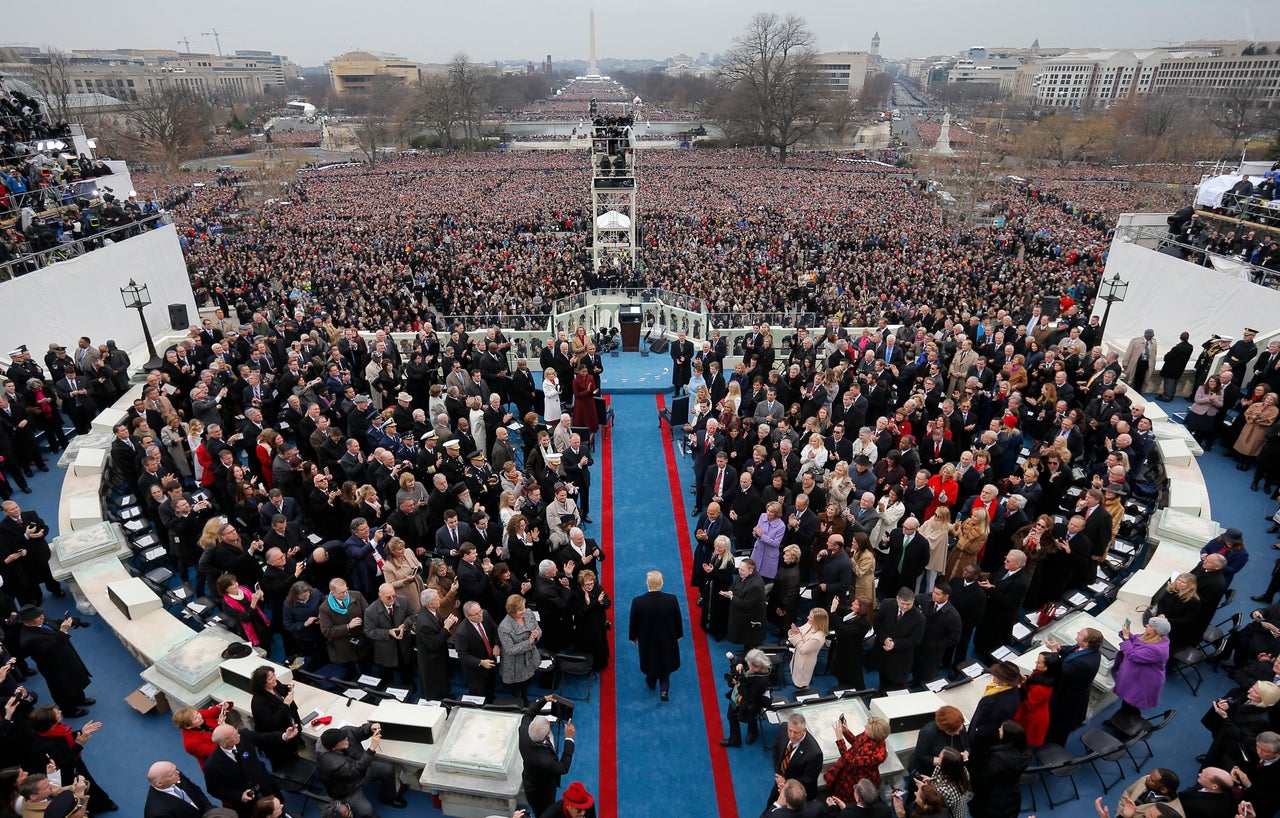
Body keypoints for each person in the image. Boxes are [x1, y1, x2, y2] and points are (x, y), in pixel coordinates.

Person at [201, 724, 291, 818]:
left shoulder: (244, 735)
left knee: (279, 809)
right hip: (248, 804)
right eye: (234, 736)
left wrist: (284, 736)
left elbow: (262, 738)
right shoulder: (212, 765)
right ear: (223, 744)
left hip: (266, 787)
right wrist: (239, 796)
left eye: (236, 731)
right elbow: (215, 790)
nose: (239, 735)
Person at [16, 608, 93, 716]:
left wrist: (72, 621)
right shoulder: (27, 640)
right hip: (54, 667)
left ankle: (80, 699)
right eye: (38, 616)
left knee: (75, 679)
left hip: (66, 657)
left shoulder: (41, 620)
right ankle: (69, 711)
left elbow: (54, 623)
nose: (43, 617)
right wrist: (62, 632)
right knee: (62, 689)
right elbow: (48, 649)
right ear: (28, 621)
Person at [315, 724, 405, 817]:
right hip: (348, 787)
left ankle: (387, 798)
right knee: (366, 811)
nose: (346, 740)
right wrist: (371, 749)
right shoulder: (329, 763)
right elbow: (354, 770)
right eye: (342, 741)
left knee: (388, 769)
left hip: (363, 768)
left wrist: (370, 728)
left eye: (345, 737)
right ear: (333, 748)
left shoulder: (344, 733)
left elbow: (359, 731)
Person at [1044, 627, 1105, 746]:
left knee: (1059, 728)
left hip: (1069, 701)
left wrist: (1054, 652)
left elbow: (1059, 670)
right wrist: (1059, 648)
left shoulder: (1085, 663)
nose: (1077, 632)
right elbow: (1072, 650)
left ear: (1086, 642)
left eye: (1080, 634)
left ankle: (1054, 750)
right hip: (1064, 692)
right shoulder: (1088, 649)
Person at [628, 570, 683, 701]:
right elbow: (678, 619)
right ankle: (664, 690)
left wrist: (633, 637)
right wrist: (679, 634)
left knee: (650, 660)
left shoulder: (638, 602)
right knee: (666, 661)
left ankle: (651, 683)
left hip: (647, 639)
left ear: (647, 583)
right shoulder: (671, 599)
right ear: (662, 583)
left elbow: (633, 622)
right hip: (667, 638)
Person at [1200, 681, 1280, 770]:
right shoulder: (1247, 699)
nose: (1250, 691)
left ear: (1265, 699)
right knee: (1212, 755)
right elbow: (1236, 712)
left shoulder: (1261, 720)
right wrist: (1226, 708)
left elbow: (1242, 736)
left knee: (1216, 763)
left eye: (1256, 692)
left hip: (1230, 747)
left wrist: (1225, 717)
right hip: (1223, 736)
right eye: (1253, 687)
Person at [519, 696, 576, 817]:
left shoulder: (523, 731)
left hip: (530, 781)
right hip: (542, 793)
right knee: (545, 813)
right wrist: (569, 738)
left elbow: (529, 713)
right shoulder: (546, 762)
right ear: (546, 736)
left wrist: (544, 699)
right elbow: (564, 767)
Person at [1113, 617, 1172, 722]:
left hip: (1144, 681)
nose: (1146, 626)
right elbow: (1136, 640)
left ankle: (1126, 725)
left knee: (1131, 703)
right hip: (1137, 676)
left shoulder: (1157, 650)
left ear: (1156, 631)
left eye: (1149, 626)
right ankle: (1121, 720)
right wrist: (1126, 634)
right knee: (1128, 701)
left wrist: (1126, 639)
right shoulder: (1152, 637)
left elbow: (1133, 656)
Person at [970, 721, 1030, 818]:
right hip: (1012, 797)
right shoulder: (1023, 755)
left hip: (991, 802)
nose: (999, 729)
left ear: (1007, 736)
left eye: (1001, 729)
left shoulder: (997, 761)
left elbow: (982, 781)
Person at [363, 583, 416, 691]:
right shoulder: (370, 611)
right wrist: (388, 632)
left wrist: (404, 625)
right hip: (385, 648)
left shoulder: (403, 600)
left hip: (403, 644)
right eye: (388, 597)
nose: (392, 599)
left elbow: (412, 615)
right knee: (386, 673)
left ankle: (409, 687)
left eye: (394, 595)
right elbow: (369, 631)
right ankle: (387, 690)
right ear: (380, 597)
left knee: (406, 668)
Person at [968, 661, 1023, 763]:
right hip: (980, 725)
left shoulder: (1005, 704)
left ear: (1005, 682)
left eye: (997, 675)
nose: (993, 675)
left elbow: (994, 728)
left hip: (982, 740)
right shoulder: (1003, 688)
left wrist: (977, 731)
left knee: (976, 759)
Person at [247, 667, 301, 770]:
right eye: (270, 678)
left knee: (294, 754)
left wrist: (288, 687)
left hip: (289, 728)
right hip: (276, 739)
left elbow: (281, 688)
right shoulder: (258, 702)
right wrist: (285, 704)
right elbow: (271, 722)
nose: (274, 679)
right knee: (283, 764)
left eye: (274, 675)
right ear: (262, 682)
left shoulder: (276, 685)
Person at [143, 761, 239, 818]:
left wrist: (209, 809)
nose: (178, 772)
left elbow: (196, 790)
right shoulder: (157, 813)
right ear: (159, 784)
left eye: (176, 769)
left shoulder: (176, 775)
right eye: (172, 774)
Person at [825, 715, 890, 799]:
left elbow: (850, 761)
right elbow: (856, 742)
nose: (865, 726)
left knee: (845, 799)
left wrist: (839, 738)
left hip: (854, 780)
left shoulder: (877, 755)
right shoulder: (869, 735)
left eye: (867, 728)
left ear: (874, 734)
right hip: (845, 772)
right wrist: (846, 731)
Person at [766, 714, 823, 809]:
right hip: (780, 782)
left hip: (796, 793)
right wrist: (778, 773)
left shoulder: (814, 753)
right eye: (790, 731)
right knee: (771, 805)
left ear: (804, 730)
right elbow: (776, 749)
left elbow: (809, 778)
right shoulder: (784, 727)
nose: (791, 735)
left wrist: (786, 782)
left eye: (796, 732)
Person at [874, 587, 926, 691]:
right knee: (882, 678)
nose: (905, 607)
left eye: (908, 604)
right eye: (902, 603)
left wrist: (895, 644)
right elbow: (877, 623)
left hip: (900, 659)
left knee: (895, 686)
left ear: (913, 601)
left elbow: (915, 640)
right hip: (882, 653)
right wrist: (884, 638)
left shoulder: (919, 619)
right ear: (897, 599)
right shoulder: (887, 604)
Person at [913, 582, 962, 684]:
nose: (934, 595)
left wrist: (936, 644)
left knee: (927, 673)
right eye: (934, 592)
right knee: (915, 666)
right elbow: (916, 599)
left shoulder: (953, 616)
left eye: (937, 594)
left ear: (946, 596)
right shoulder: (927, 599)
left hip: (933, 650)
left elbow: (954, 638)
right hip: (919, 642)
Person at [721, 648, 771, 747]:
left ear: (760, 667)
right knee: (731, 715)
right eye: (749, 665)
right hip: (739, 696)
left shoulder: (761, 681)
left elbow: (750, 697)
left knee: (750, 717)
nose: (749, 669)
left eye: (752, 667)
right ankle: (735, 740)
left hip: (751, 702)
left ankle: (753, 732)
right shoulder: (753, 660)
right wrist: (739, 663)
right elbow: (743, 658)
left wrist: (739, 684)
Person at [497, 593, 542, 703]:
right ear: (512, 611)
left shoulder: (528, 613)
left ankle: (525, 698)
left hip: (530, 657)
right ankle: (518, 701)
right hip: (515, 664)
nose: (524, 611)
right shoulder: (504, 627)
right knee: (516, 688)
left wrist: (536, 636)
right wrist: (529, 641)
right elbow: (510, 649)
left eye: (523, 607)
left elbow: (538, 629)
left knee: (528, 682)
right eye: (520, 610)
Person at [453, 600, 500, 701]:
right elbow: (463, 656)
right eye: (476, 614)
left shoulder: (485, 615)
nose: (480, 615)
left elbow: (495, 629)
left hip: (490, 663)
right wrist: (481, 662)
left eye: (480, 611)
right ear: (468, 616)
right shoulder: (462, 633)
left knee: (491, 690)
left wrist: (496, 644)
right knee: (479, 696)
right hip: (475, 671)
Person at [1013, 651, 1061, 746]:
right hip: (1031, 711)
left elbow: (1028, 704)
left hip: (1031, 718)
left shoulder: (1043, 688)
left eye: (1039, 662)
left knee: (1020, 741)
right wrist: (1026, 680)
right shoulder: (1044, 674)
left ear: (1047, 667)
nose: (1036, 663)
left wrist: (1019, 688)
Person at [170, 702, 232, 771]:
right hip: (219, 765)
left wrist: (222, 706)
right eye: (195, 718)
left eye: (197, 713)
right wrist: (223, 728)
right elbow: (217, 751)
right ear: (188, 727)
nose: (200, 716)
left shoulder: (198, 715)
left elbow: (212, 712)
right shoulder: (191, 744)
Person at [912, 706, 969, 779]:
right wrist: (943, 761)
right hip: (930, 773)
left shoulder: (959, 727)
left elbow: (967, 746)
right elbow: (920, 756)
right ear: (944, 728)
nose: (958, 733)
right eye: (954, 731)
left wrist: (966, 753)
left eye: (960, 729)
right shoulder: (927, 732)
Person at [571, 569, 611, 672]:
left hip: (598, 623)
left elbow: (607, 602)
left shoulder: (597, 587)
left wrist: (601, 602)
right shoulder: (577, 594)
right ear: (582, 584)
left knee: (600, 643)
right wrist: (589, 604)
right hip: (586, 627)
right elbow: (579, 614)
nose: (590, 586)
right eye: (587, 584)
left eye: (591, 583)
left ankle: (600, 664)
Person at [725, 558, 767, 650]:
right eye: (739, 569)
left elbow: (746, 604)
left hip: (750, 617)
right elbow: (735, 583)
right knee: (746, 638)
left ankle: (747, 654)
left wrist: (731, 597)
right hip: (743, 615)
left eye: (742, 570)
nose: (739, 572)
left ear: (750, 570)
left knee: (749, 638)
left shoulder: (755, 585)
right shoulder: (746, 575)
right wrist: (731, 591)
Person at [918, 747, 971, 818]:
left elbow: (936, 806)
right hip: (961, 807)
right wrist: (931, 780)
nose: (938, 755)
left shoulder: (946, 791)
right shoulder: (962, 770)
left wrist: (923, 789)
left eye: (940, 757)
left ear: (946, 766)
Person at [787, 607, 828, 689]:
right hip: (798, 656)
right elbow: (800, 630)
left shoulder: (818, 638)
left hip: (804, 662)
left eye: (810, 617)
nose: (807, 618)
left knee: (801, 684)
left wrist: (797, 634)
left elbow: (803, 649)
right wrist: (797, 632)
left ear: (817, 620)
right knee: (795, 675)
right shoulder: (810, 624)